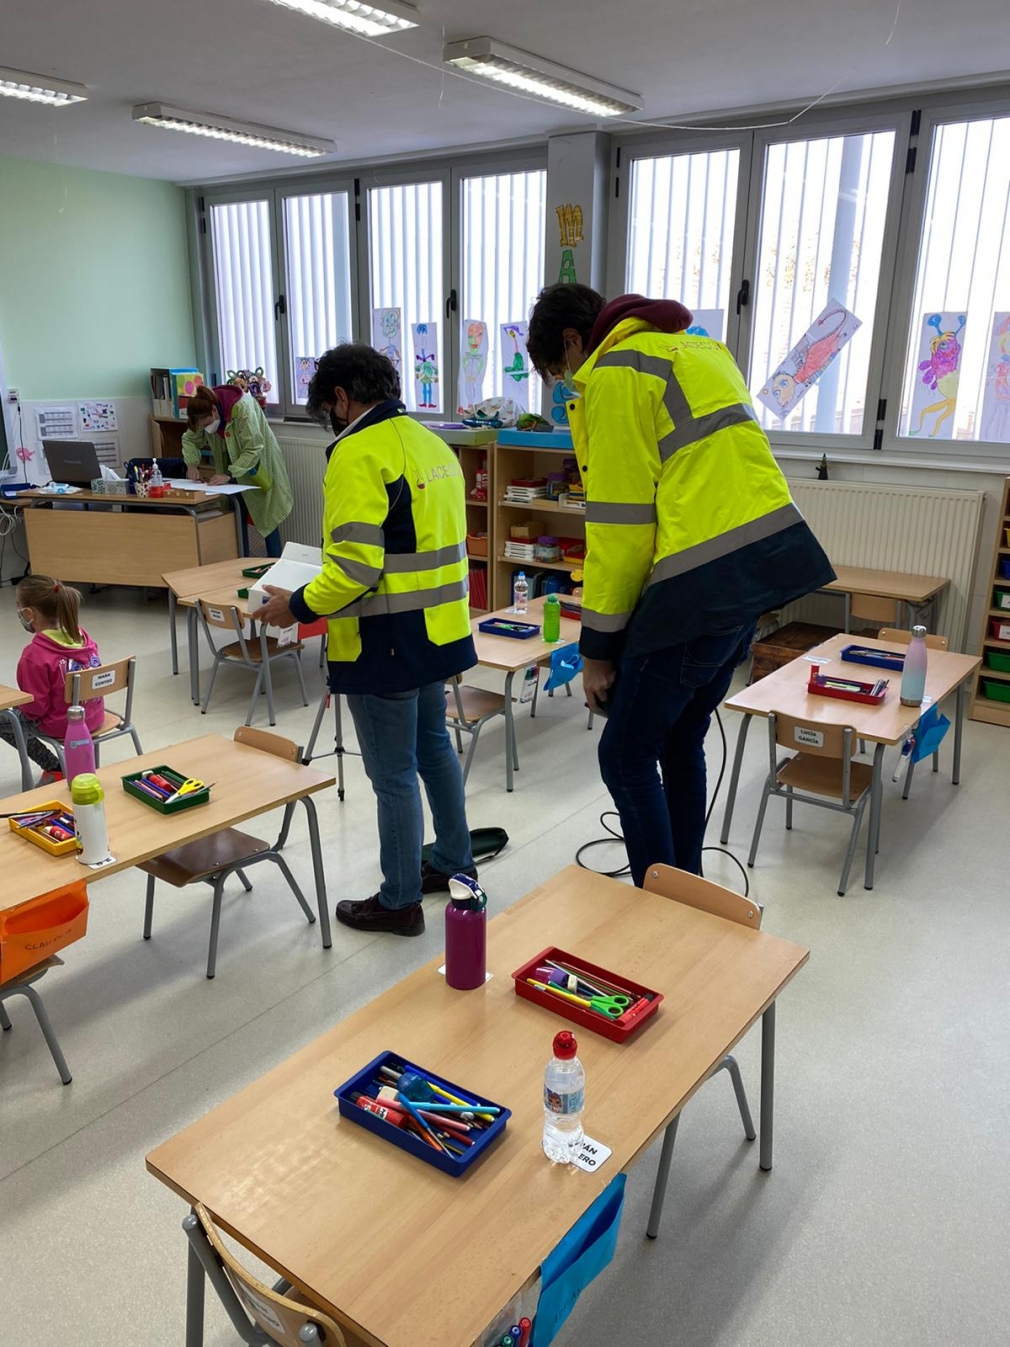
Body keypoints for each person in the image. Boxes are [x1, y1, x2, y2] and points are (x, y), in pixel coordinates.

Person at [526, 284, 835, 888]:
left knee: (623, 753)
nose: (565, 384)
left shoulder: (616, 375)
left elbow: (621, 526)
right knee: (680, 736)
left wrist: (596, 651)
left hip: (695, 581)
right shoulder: (697, 350)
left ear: (571, 341)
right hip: (756, 571)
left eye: (558, 370)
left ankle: (659, 904)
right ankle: (686, 888)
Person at [257, 344, 476, 936]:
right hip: (438, 634)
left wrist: (296, 606)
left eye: (327, 409)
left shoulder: (357, 452)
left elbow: (355, 567)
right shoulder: (433, 443)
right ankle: (455, 863)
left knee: (393, 775)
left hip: (385, 641)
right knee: (434, 751)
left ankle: (400, 899)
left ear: (341, 398)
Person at [1, 575, 104, 785]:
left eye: (19, 608)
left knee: (3, 717)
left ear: (29, 613)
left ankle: (54, 766)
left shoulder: (34, 655)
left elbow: (35, 709)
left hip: (63, 725)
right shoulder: (83, 637)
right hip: (92, 715)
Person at [182, 383, 293, 557]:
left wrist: (229, 473)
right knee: (235, 520)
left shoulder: (242, 408)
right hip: (229, 474)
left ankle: (274, 567)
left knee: (267, 520)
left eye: (208, 424)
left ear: (214, 410)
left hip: (257, 467)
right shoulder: (202, 412)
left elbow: (253, 448)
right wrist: (191, 463)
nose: (206, 429)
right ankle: (241, 565)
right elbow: (189, 439)